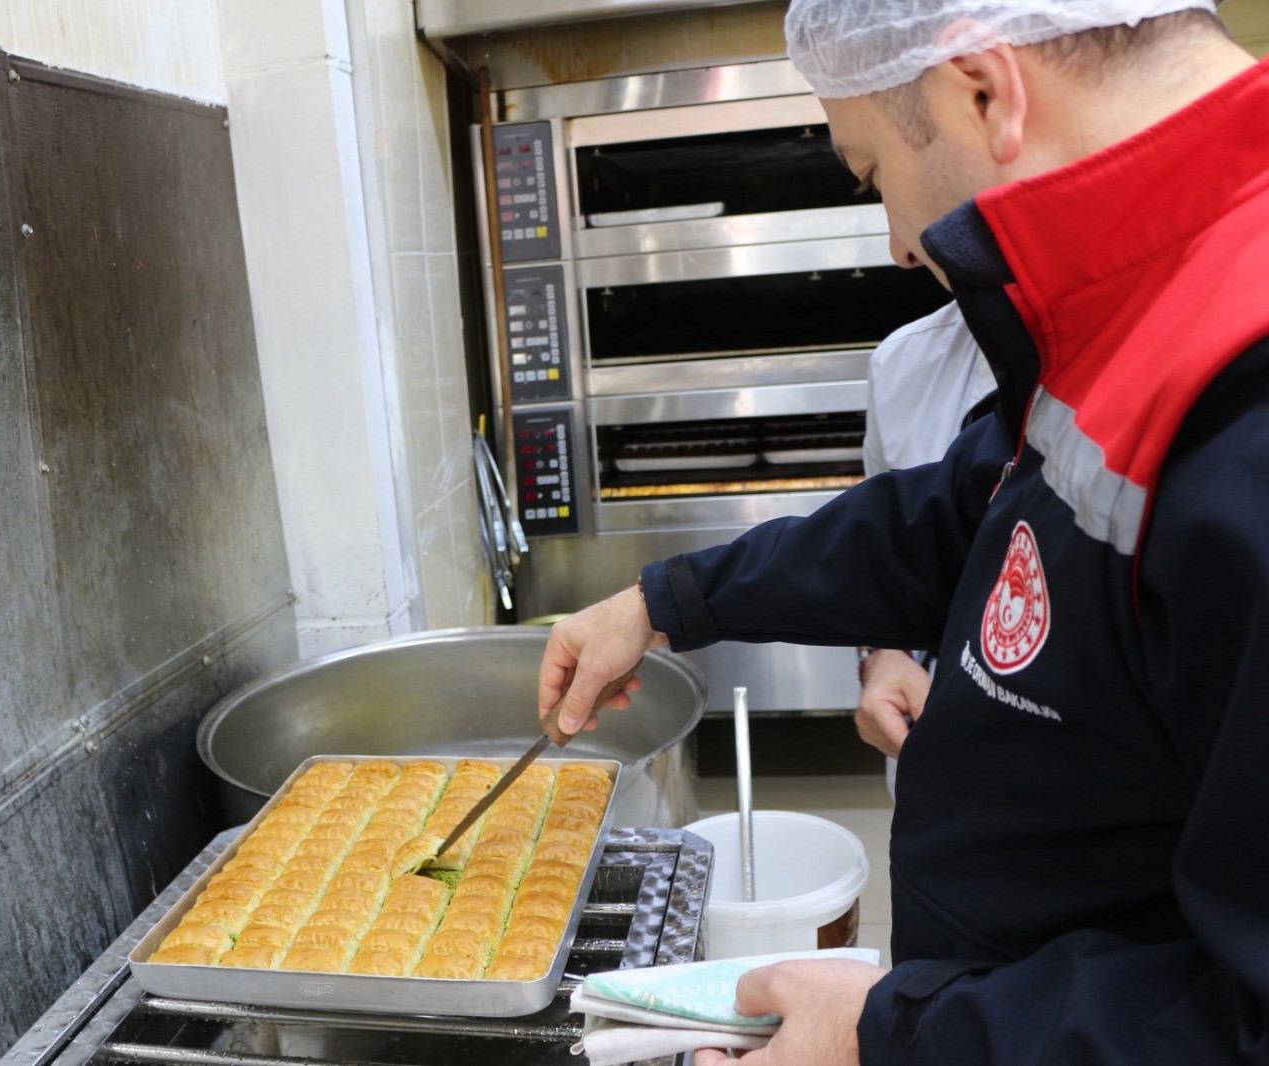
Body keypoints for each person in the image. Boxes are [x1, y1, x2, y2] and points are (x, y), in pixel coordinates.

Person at [537, 2, 1269, 1062]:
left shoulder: (1242, 404)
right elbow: (957, 513)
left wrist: (889, 1033)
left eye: (870, 170)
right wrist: (662, 602)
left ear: (983, 92)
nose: (893, 241)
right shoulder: (1147, 292)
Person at [856, 304, 995, 781]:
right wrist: (882, 654)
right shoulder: (902, 361)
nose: (900, 255)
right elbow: (884, 547)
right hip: (930, 759)